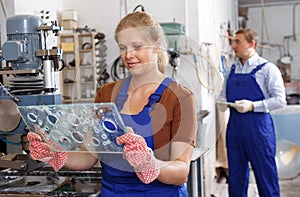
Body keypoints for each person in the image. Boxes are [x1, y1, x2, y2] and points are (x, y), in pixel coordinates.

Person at [27, 11, 197, 197]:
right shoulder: (107, 93)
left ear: (156, 47)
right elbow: (89, 154)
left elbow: (181, 171)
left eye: (137, 46)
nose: (128, 55)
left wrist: (149, 164)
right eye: (123, 48)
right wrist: (56, 153)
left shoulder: (180, 97)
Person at [217, 28, 286, 197]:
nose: (234, 46)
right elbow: (223, 95)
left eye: (238, 42)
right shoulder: (232, 70)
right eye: (233, 42)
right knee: (236, 178)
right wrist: (220, 103)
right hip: (234, 131)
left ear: (251, 44)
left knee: (265, 176)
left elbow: (280, 100)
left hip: (259, 131)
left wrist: (253, 106)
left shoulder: (268, 69)